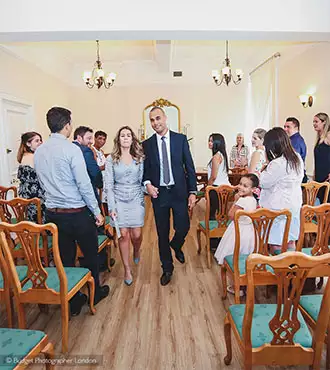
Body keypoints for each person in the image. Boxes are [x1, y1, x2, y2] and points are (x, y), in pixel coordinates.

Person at [34, 107, 109, 316]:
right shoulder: (71, 149)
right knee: (91, 254)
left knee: (65, 258)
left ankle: (73, 298)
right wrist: (97, 211)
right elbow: (84, 184)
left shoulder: (39, 151)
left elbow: (42, 183)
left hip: (53, 214)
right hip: (76, 212)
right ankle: (96, 293)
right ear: (67, 125)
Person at [142, 106, 197, 286]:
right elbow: (146, 171)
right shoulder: (147, 144)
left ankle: (177, 244)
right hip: (159, 194)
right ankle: (167, 268)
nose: (155, 123)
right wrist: (148, 185)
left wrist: (192, 191)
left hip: (179, 191)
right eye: (152, 120)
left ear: (165, 118)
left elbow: (189, 166)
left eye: (158, 118)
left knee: (183, 226)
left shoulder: (180, 139)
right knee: (162, 232)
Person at [105, 126, 145, 286]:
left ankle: (136, 249)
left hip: (136, 197)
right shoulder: (111, 159)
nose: (126, 138)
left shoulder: (139, 158)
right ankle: (127, 269)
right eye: (123, 135)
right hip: (118, 198)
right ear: (118, 139)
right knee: (123, 234)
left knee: (136, 234)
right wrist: (111, 207)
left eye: (129, 135)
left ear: (133, 139)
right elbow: (108, 184)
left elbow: (142, 180)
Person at [259, 127, 304, 254]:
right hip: (294, 205)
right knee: (290, 240)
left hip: (278, 207)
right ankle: (291, 269)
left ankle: (279, 270)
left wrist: (263, 168)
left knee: (276, 243)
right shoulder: (297, 158)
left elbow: (263, 182)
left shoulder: (278, 163)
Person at [214, 173, 259, 294]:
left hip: (238, 231)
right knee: (245, 255)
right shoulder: (253, 200)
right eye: (240, 184)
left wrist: (235, 201)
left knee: (235, 256)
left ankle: (237, 286)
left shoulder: (242, 201)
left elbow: (230, 215)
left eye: (245, 186)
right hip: (250, 232)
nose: (241, 187)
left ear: (253, 189)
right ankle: (245, 284)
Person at [207, 133, 230, 251]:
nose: (209, 143)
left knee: (212, 215)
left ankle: (213, 242)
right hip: (225, 188)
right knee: (221, 216)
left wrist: (207, 187)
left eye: (212, 141)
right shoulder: (222, 155)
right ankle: (220, 241)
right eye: (209, 141)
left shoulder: (216, 156)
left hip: (216, 188)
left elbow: (214, 176)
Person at [17, 132, 46, 223]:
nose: (40, 142)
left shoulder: (23, 156)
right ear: (28, 144)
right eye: (37, 141)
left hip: (25, 193)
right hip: (35, 194)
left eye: (40, 140)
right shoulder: (34, 157)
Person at [73, 126, 103, 205]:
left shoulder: (68, 148)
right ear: (79, 138)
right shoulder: (85, 150)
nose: (91, 142)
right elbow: (95, 172)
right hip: (86, 195)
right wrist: (100, 184)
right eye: (89, 138)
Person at [284, 117, 308, 183]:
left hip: (295, 177)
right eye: (284, 127)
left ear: (296, 128)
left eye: (288, 127)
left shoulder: (295, 141)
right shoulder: (293, 140)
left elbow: (291, 160)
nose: (285, 129)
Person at [313, 112, 330, 202]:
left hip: (327, 178)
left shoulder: (328, 136)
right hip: (319, 177)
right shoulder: (319, 138)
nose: (314, 124)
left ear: (324, 122)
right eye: (313, 122)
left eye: (316, 121)